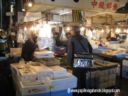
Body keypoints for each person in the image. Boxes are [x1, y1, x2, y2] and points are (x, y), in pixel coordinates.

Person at [67, 26, 92, 93]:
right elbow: (90, 49)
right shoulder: (85, 38)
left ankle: (77, 92)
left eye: (71, 31)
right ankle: (84, 90)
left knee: (77, 77)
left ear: (73, 32)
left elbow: (70, 52)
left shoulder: (72, 39)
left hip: (78, 59)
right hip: (86, 59)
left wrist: (69, 63)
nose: (71, 32)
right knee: (83, 76)